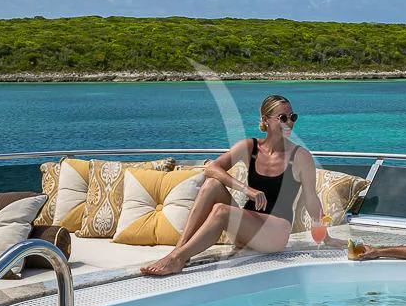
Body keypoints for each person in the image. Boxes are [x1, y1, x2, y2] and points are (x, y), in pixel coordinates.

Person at [140, 94, 327, 276]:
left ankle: (177, 259)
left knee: (221, 211)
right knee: (212, 184)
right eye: (283, 118)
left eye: (292, 117)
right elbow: (212, 168)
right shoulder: (250, 147)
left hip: (275, 233)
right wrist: (246, 189)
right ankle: (179, 251)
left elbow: (311, 198)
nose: (290, 122)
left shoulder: (300, 156)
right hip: (247, 228)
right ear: (266, 120)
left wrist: (325, 236)